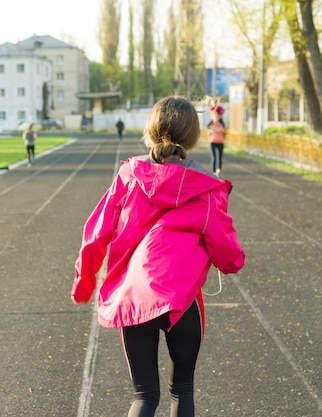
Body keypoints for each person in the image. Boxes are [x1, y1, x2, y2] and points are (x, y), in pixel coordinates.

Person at [72, 96, 245, 417]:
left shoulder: (128, 177)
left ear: (150, 133)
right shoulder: (207, 188)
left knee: (144, 395)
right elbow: (227, 251)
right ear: (194, 137)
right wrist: (232, 262)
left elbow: (95, 233)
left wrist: (84, 284)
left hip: (134, 297)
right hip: (182, 302)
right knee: (182, 390)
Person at [207, 102, 227, 176]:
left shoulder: (222, 124)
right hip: (212, 142)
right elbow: (208, 133)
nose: (215, 117)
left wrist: (221, 130)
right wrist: (211, 131)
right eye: (214, 115)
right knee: (214, 158)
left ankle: (219, 169)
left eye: (217, 115)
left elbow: (225, 132)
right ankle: (213, 171)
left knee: (220, 158)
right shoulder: (210, 124)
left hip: (220, 142)